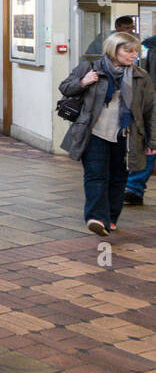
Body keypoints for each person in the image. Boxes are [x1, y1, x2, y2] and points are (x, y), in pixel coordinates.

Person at [59, 32, 156, 236]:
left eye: (136, 51)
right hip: (93, 132)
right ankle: (96, 218)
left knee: (118, 178)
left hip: (126, 135)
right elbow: (65, 88)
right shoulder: (89, 68)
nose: (133, 55)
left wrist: (152, 140)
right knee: (95, 175)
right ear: (114, 50)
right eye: (128, 51)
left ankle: (111, 218)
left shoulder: (141, 76)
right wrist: (84, 82)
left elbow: (150, 111)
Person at [124, 30, 156, 205]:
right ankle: (133, 188)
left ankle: (134, 188)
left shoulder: (151, 46)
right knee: (150, 146)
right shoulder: (152, 46)